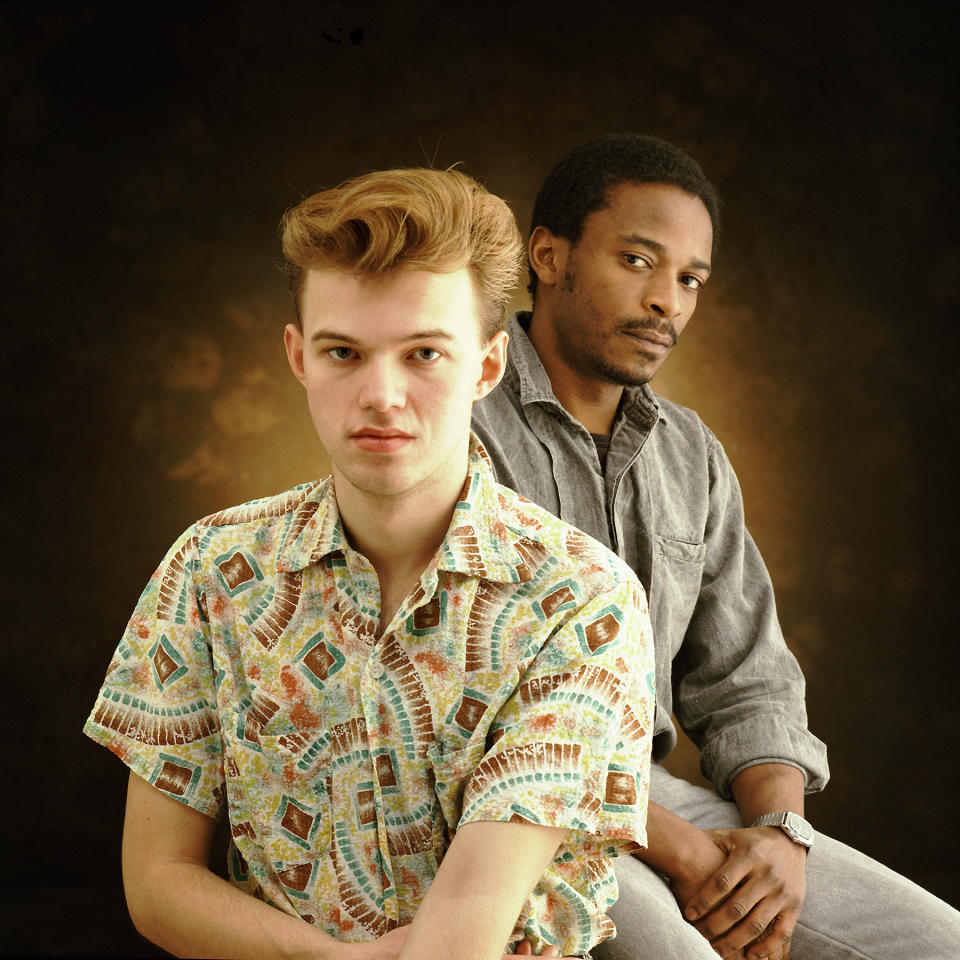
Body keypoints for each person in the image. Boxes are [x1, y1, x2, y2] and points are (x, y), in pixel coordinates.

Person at [83, 166, 657, 960]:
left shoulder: (580, 599)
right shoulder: (210, 570)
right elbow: (155, 884)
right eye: (345, 352)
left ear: (487, 367)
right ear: (298, 357)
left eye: (424, 353)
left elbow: (460, 945)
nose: (381, 394)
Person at [471, 134, 960, 960]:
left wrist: (777, 836)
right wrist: (688, 856)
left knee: (936, 942)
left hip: (662, 796)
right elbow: (474, 710)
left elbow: (747, 678)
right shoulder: (460, 422)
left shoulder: (690, 454)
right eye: (638, 260)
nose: (669, 301)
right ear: (547, 255)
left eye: (691, 278)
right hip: (516, 803)